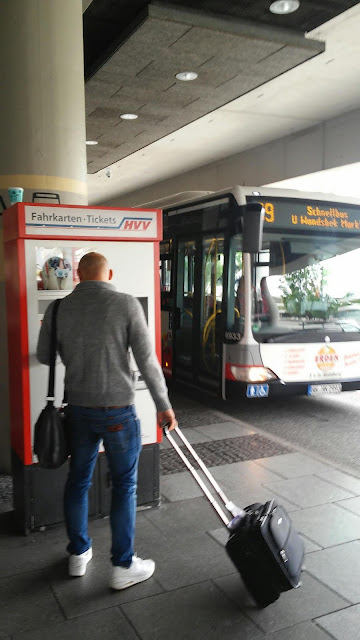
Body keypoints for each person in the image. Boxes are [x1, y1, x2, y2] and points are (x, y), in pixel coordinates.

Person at [37, 252, 177, 590]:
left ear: (78, 276)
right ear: (108, 273)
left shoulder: (59, 308)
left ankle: (78, 554)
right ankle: (123, 565)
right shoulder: (126, 304)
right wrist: (164, 404)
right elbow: (147, 360)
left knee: (78, 481)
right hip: (118, 410)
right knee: (125, 486)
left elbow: (44, 356)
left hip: (78, 410)